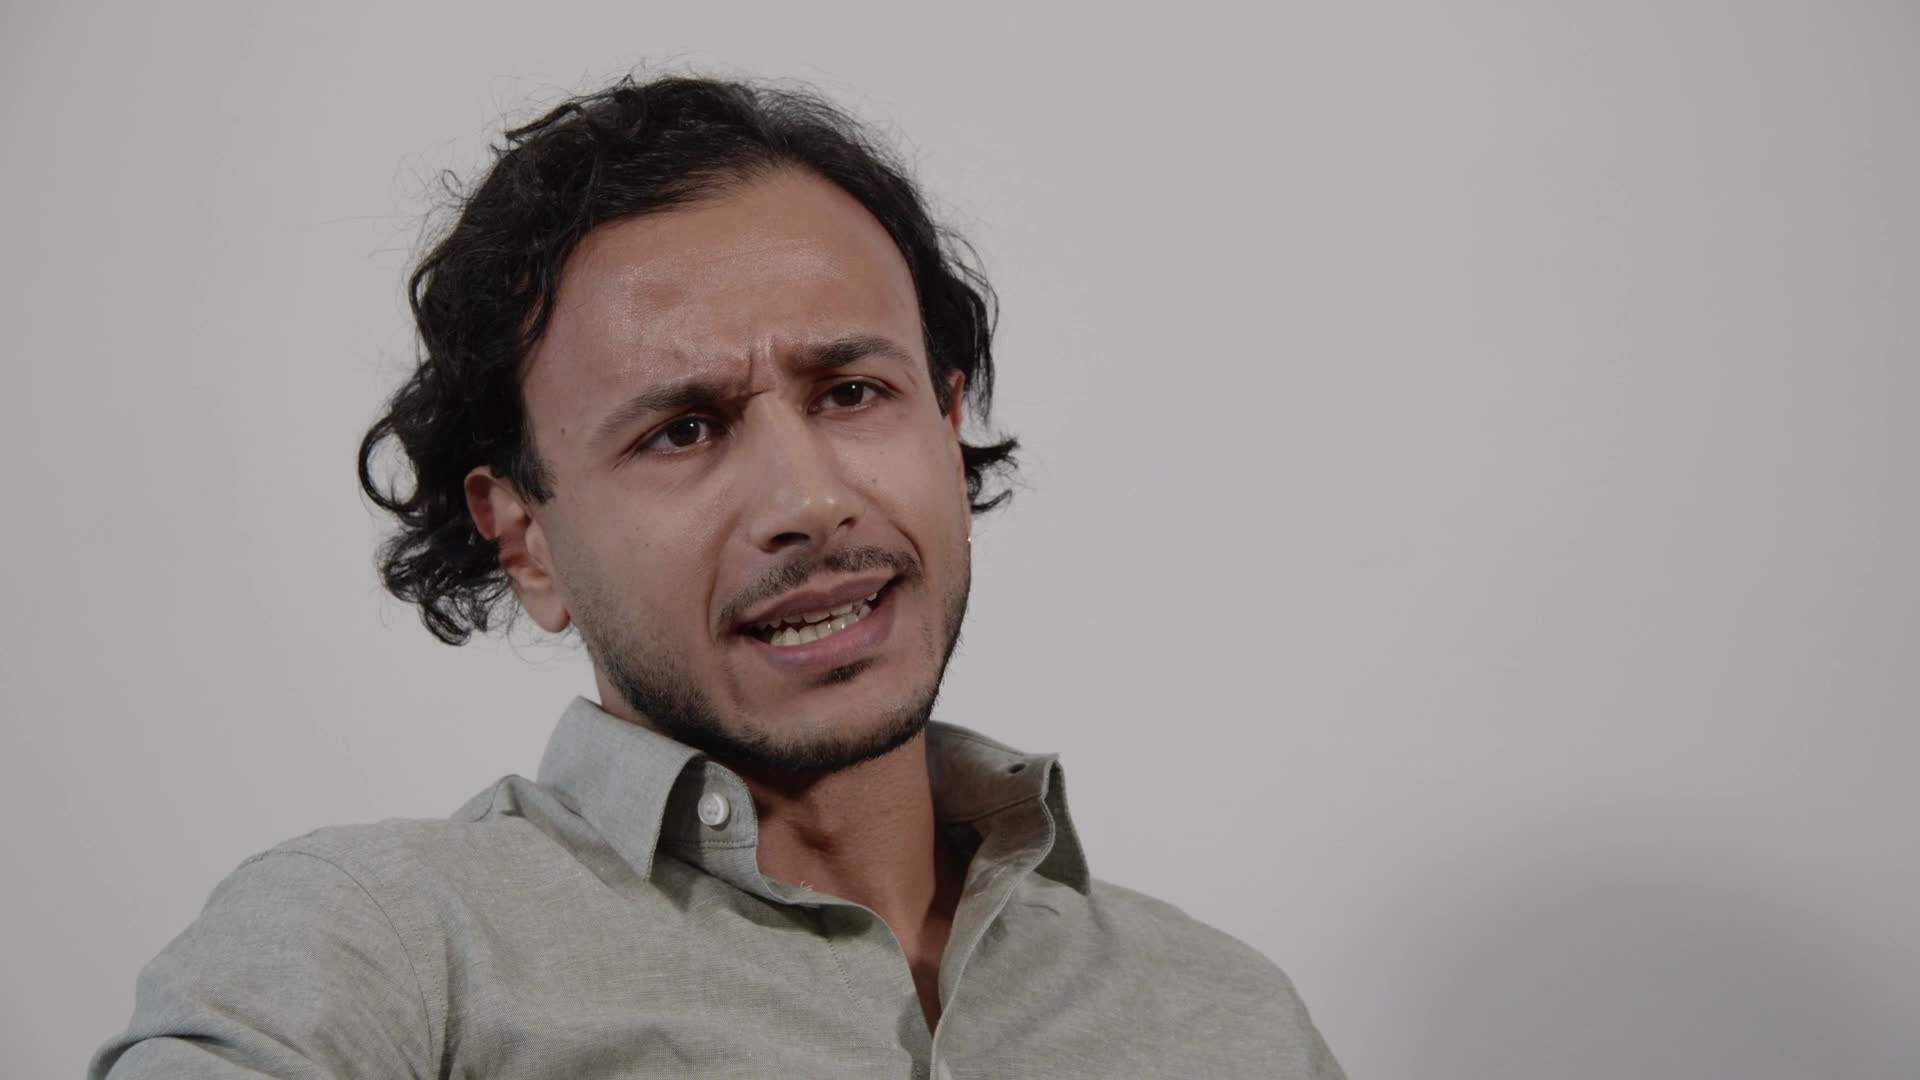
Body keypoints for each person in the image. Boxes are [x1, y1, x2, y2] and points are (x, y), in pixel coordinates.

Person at [89, 73, 1345, 1079]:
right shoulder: (385, 949)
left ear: (947, 422)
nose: (807, 502)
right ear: (524, 538)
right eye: (682, 430)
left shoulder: (1224, 1014)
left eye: (851, 393)